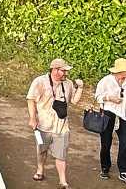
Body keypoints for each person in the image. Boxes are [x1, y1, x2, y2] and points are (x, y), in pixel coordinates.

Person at [26, 58, 84, 187]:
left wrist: (80, 88)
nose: (66, 74)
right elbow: (31, 99)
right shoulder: (40, 81)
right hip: (42, 125)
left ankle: (63, 181)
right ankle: (40, 169)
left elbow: (74, 101)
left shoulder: (68, 84)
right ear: (55, 70)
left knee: (61, 154)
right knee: (41, 150)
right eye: (63, 71)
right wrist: (32, 118)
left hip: (62, 126)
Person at [93, 58, 126, 185]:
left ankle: (123, 171)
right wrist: (110, 98)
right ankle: (105, 167)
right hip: (108, 113)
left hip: (124, 115)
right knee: (106, 142)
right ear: (119, 71)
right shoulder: (106, 81)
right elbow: (97, 96)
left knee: (125, 143)